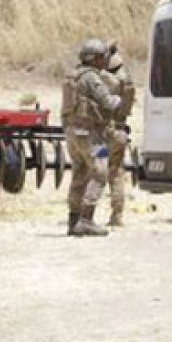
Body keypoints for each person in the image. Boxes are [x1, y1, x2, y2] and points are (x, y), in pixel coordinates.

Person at [60, 39, 122, 237]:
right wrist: (119, 99)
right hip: (92, 136)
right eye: (102, 57)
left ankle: (73, 220)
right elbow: (109, 102)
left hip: (72, 133)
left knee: (79, 173)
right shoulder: (91, 78)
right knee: (100, 171)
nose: (105, 60)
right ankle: (86, 219)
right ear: (95, 59)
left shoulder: (73, 76)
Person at [100, 48, 135, 227]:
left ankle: (84, 214)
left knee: (95, 171)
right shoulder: (127, 81)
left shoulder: (105, 79)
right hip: (121, 131)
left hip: (105, 131)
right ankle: (117, 215)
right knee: (116, 173)